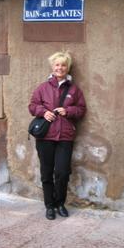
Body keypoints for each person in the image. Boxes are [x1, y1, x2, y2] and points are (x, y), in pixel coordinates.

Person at [28, 51, 86, 220]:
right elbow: (32, 106)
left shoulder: (74, 90)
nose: (60, 68)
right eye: (57, 65)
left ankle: (60, 203)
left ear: (67, 68)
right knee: (46, 172)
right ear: (52, 67)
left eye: (63, 65)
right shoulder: (42, 88)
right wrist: (43, 112)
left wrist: (68, 111)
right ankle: (49, 205)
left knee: (62, 172)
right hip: (45, 137)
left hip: (65, 138)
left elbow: (82, 109)